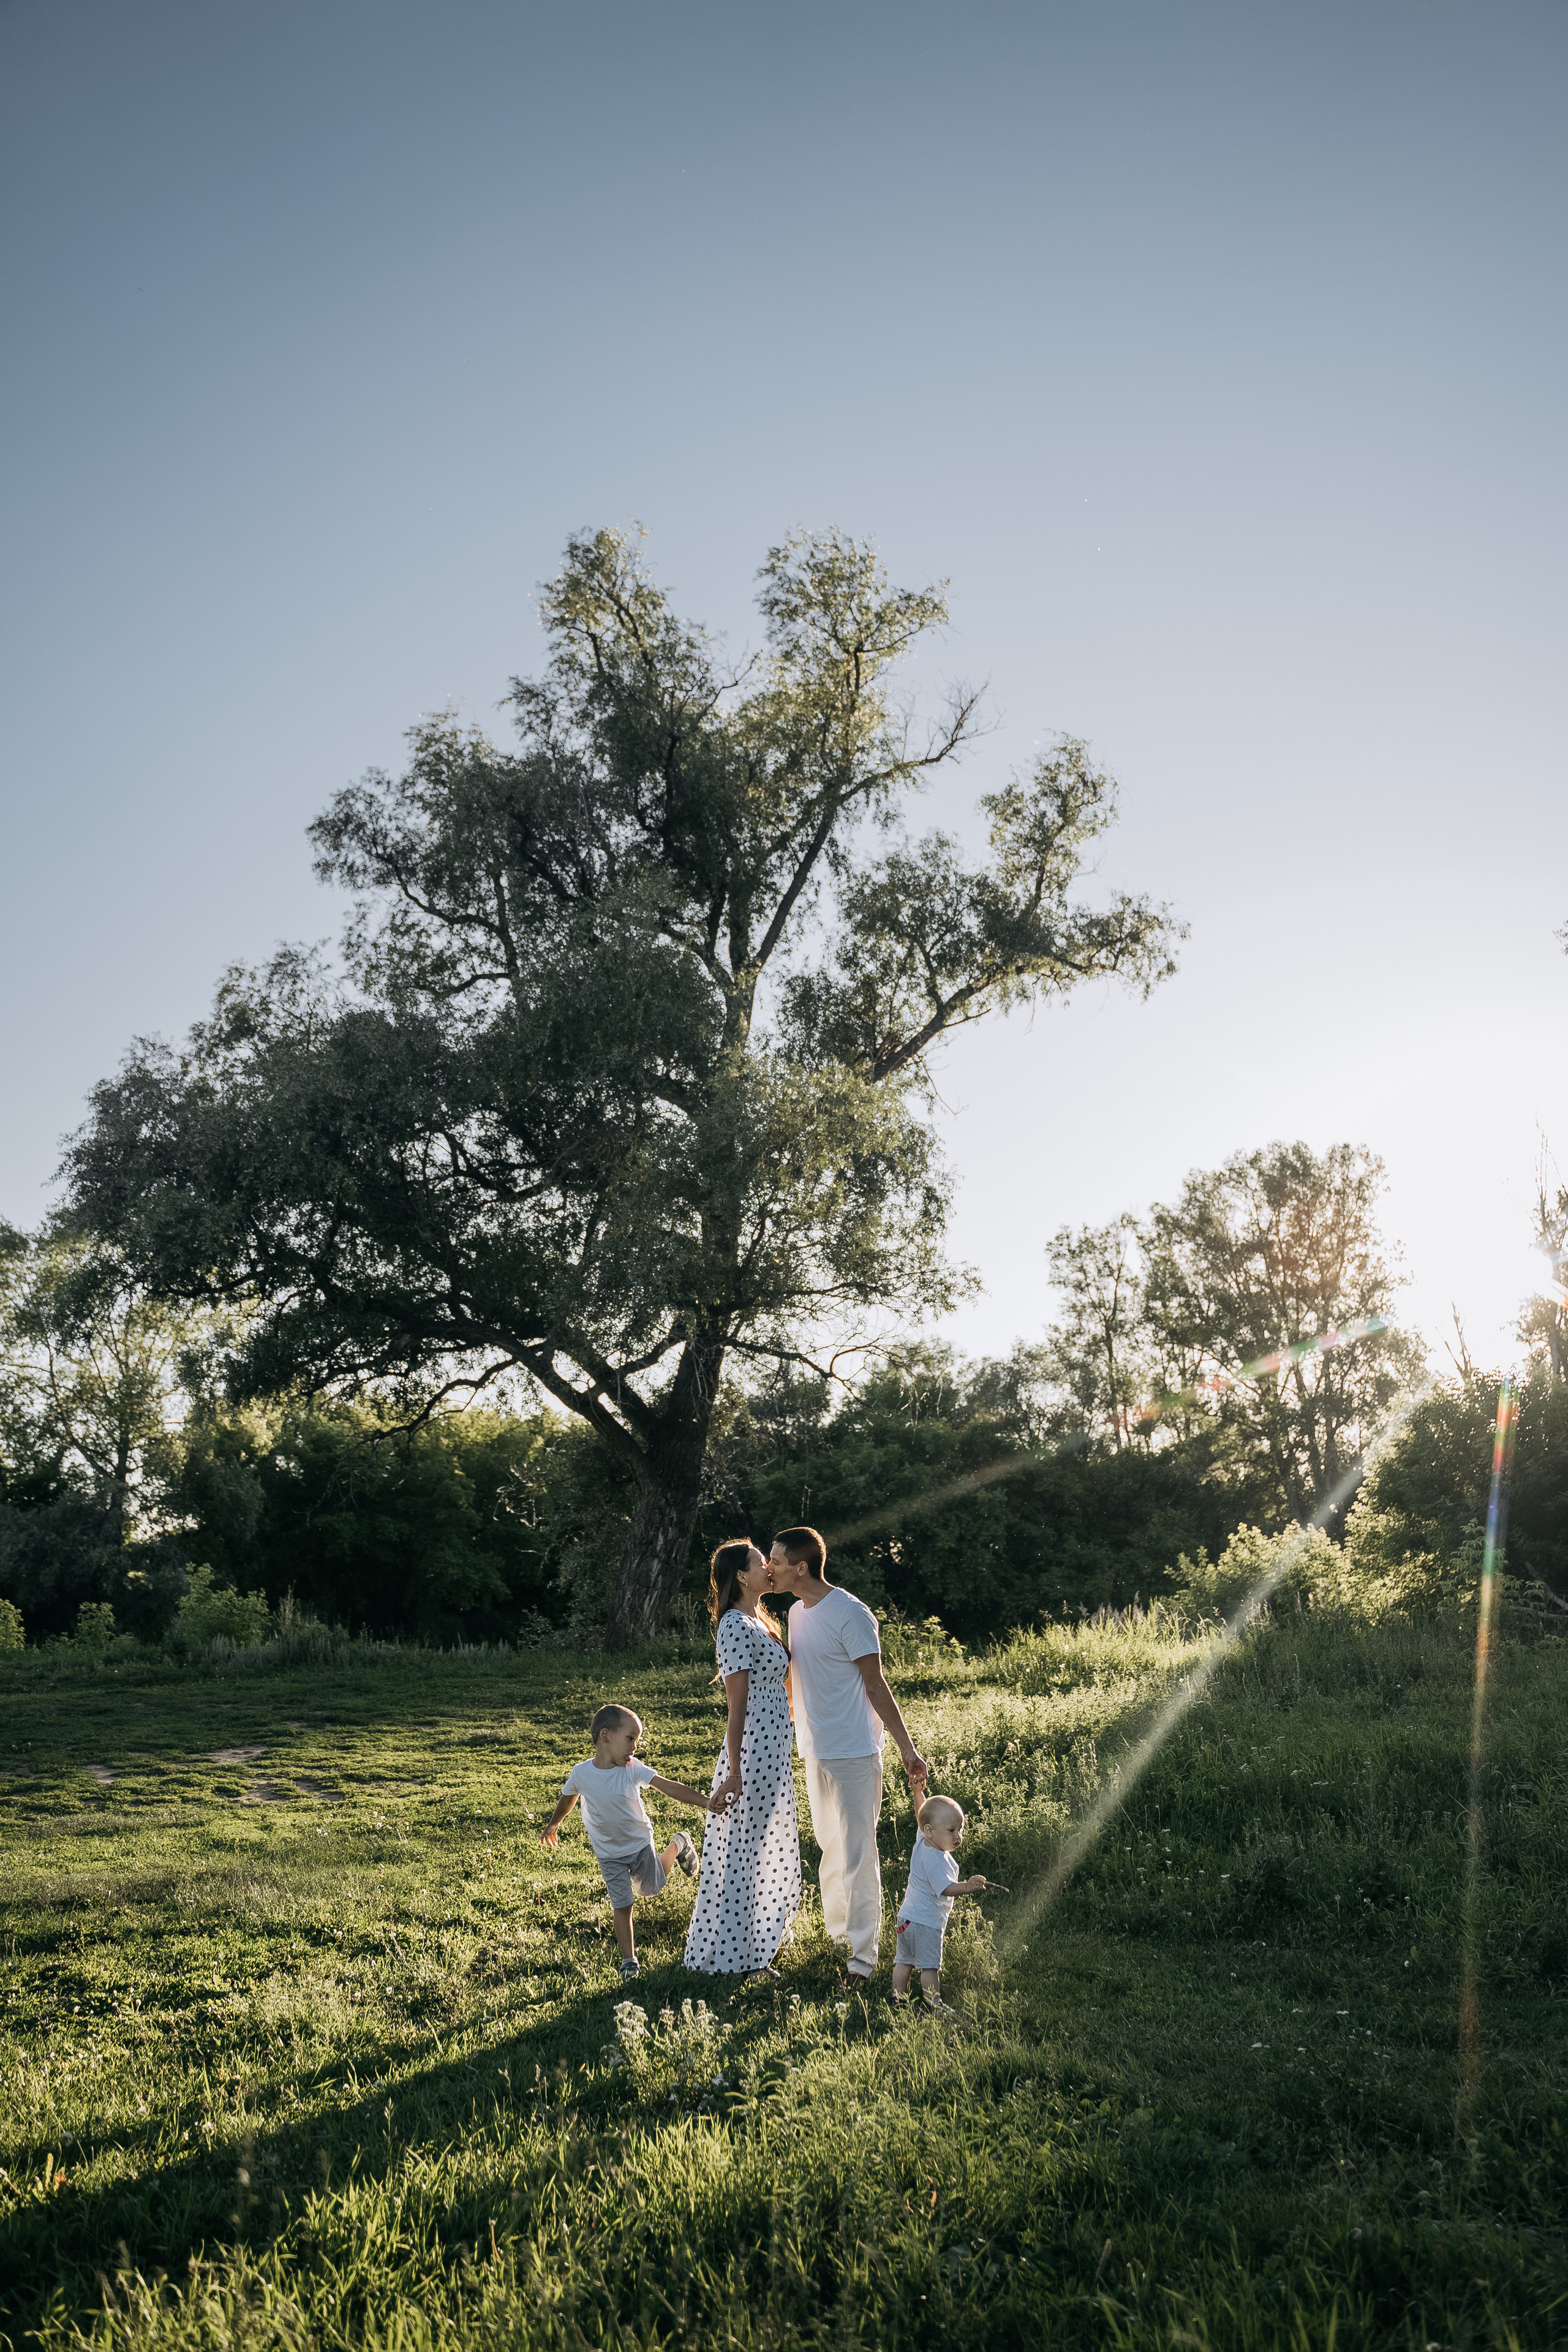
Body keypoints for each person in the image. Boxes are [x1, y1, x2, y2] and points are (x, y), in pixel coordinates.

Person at [767, 1525, 927, 1986]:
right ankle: (839, 1938)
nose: (768, 1569)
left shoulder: (852, 1613)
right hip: (815, 1751)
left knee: (858, 1854)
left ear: (801, 1567)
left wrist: (906, 1747)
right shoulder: (797, 1614)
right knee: (830, 1849)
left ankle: (863, 1958)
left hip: (856, 1752)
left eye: (776, 1562)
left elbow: (877, 1685)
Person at [684, 1540, 802, 1979]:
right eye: (760, 1563)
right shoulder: (734, 1625)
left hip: (774, 1751)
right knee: (746, 1853)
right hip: (753, 1752)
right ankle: (742, 1960)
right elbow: (738, 1706)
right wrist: (735, 1771)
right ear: (741, 1576)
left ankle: (757, 1946)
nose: (769, 1568)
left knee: (761, 1847)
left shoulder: (762, 1620)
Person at [539, 1702, 714, 1980]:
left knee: (651, 1889)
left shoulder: (633, 1768)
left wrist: (705, 1802)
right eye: (631, 1739)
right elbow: (569, 1796)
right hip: (609, 1854)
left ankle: (679, 1843)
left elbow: (667, 1786)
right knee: (622, 1905)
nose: (635, 1746)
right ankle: (629, 1961)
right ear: (606, 1736)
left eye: (637, 1740)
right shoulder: (581, 1773)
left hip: (639, 1844)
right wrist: (555, 1822)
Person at [891, 1792, 986, 2017]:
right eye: (952, 1831)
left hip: (906, 1919)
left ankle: (898, 1999)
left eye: (960, 1830)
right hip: (925, 1922)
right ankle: (933, 2004)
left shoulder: (923, 1840)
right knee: (929, 1966)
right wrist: (967, 1886)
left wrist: (917, 1793)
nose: (958, 1836)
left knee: (904, 1962)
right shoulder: (936, 1861)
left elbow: (921, 1814)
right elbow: (945, 1888)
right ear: (931, 1831)